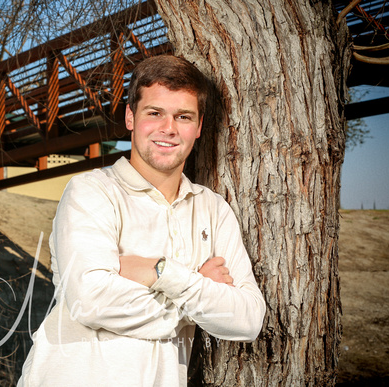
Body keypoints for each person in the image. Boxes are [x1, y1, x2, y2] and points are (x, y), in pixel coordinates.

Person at [17, 55, 266, 386]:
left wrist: (161, 271)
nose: (169, 128)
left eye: (183, 116)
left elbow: (247, 320)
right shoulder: (91, 191)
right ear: (131, 117)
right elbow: (90, 301)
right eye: (155, 113)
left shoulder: (213, 210)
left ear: (199, 127)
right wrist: (200, 291)